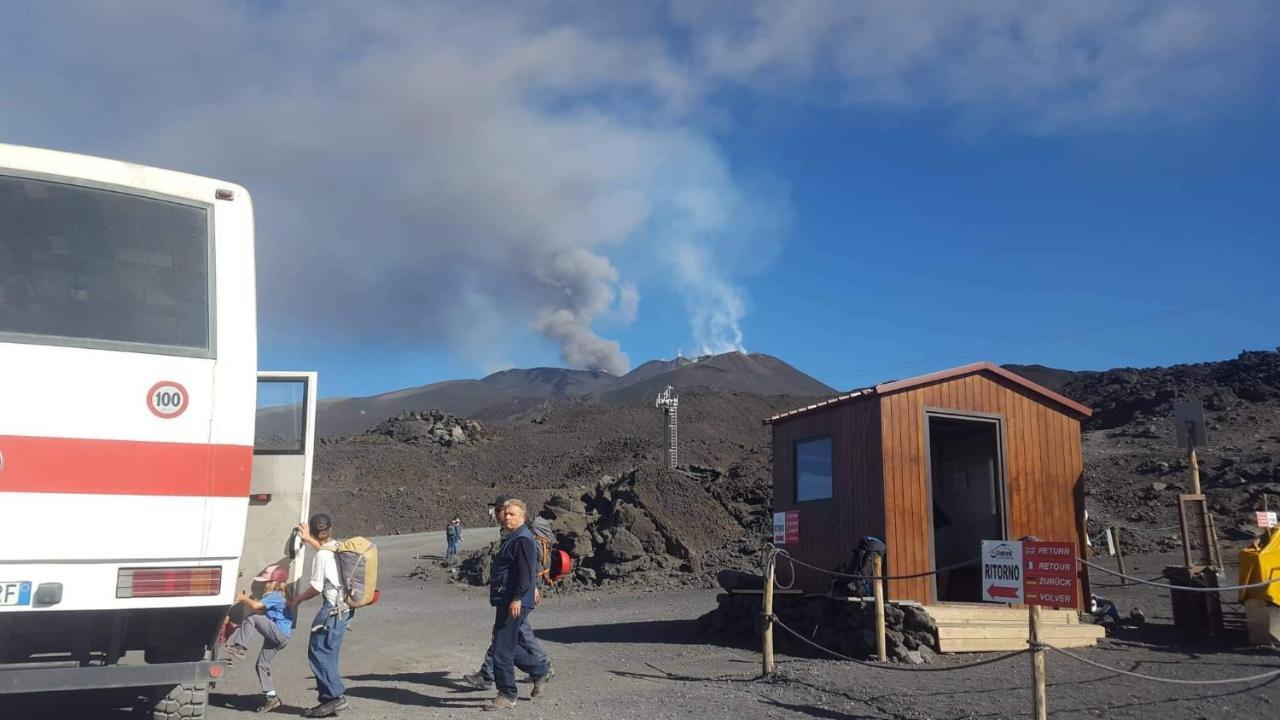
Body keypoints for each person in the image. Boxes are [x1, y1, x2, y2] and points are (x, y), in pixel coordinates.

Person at [464, 497, 553, 692]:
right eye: (503, 513)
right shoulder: (512, 534)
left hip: (516, 598)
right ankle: (539, 670)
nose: (504, 517)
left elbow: (526, 568)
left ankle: (504, 689)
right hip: (510, 597)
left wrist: (522, 595)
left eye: (508, 513)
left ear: (521, 515)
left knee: (504, 645)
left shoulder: (523, 537)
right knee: (510, 641)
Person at [290, 513, 351, 719]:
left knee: (319, 652)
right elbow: (325, 553)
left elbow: (316, 586)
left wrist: (297, 599)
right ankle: (328, 699)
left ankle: (335, 697)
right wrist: (310, 541)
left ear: (315, 532)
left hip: (332, 610)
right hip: (344, 609)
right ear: (331, 529)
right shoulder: (337, 546)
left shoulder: (322, 555)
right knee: (327, 651)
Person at [224, 565, 294, 713]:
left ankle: (240, 647)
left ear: (273, 583)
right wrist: (246, 603)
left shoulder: (275, 595)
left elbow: (256, 608)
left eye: (265, 582)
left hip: (278, 633)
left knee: (253, 619)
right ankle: (271, 698)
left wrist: (244, 598)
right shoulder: (280, 595)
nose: (263, 584)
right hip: (279, 636)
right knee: (261, 666)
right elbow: (259, 609)